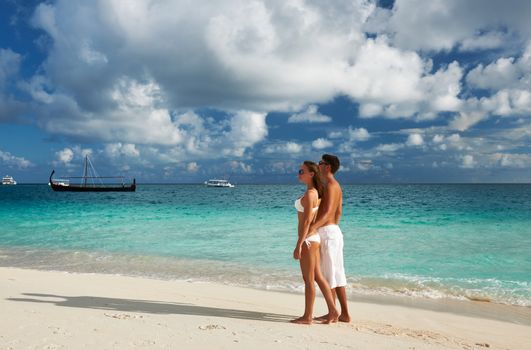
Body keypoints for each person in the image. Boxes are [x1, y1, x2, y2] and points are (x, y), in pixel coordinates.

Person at [291, 161, 339, 325]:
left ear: (311, 174)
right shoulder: (313, 192)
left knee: (308, 279)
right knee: (317, 276)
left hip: (308, 240)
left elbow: (306, 222)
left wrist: (299, 244)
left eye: (301, 171)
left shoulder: (311, 194)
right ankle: (333, 311)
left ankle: (307, 316)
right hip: (312, 238)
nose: (298, 173)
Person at [309, 154, 351, 323]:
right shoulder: (334, 185)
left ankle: (332, 313)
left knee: (329, 274)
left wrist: (313, 227)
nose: (318, 165)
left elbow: (327, 213)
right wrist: (332, 226)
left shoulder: (331, 185)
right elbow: (338, 212)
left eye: (321, 163)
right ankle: (344, 313)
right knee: (336, 274)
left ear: (328, 167)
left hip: (328, 232)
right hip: (333, 231)